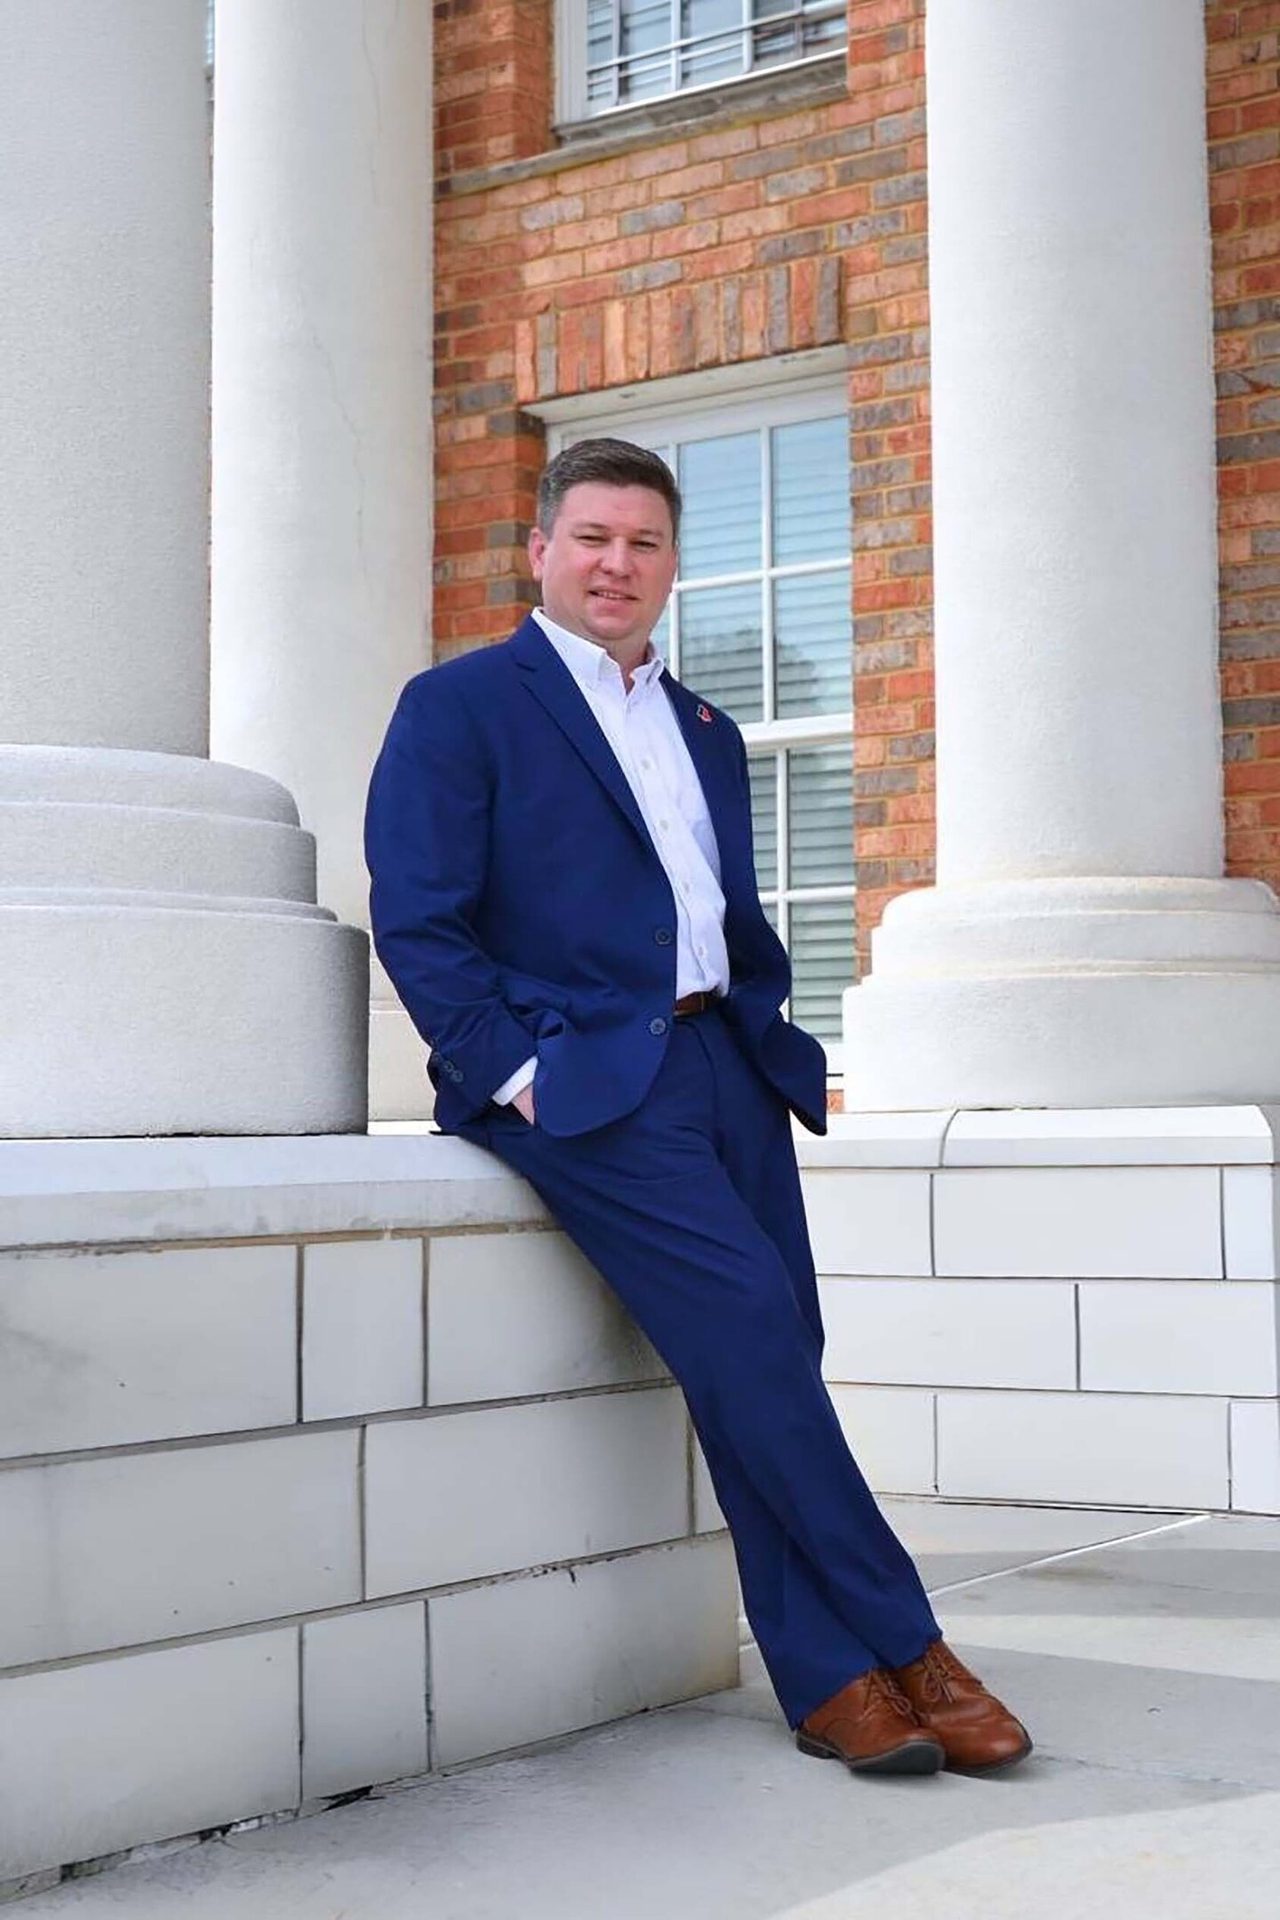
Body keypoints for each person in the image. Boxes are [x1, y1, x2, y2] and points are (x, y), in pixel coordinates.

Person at [364, 437, 1031, 1778]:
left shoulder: (707, 729)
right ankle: (911, 1647)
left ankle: (830, 1677)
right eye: (593, 537)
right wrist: (519, 1075)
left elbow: (717, 905)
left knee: (774, 1351)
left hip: (726, 1060)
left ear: (673, 566)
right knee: (754, 1340)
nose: (617, 564)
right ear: (540, 551)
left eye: (645, 543)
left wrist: (764, 1028)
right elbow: (421, 918)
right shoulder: (460, 706)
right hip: (588, 1085)